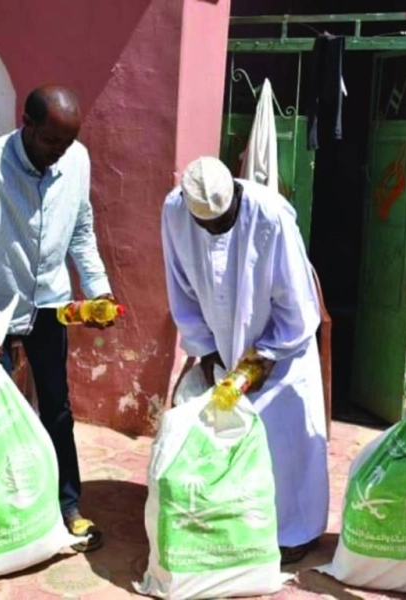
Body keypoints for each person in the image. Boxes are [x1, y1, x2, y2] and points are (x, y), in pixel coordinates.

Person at [0, 85, 114, 552]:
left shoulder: (76, 161)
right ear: (26, 124)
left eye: (69, 142)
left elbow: (81, 230)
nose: (61, 153)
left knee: (57, 408)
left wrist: (98, 291)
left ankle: (66, 505)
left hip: (50, 304)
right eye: (52, 141)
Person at [161, 156, 329, 564]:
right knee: (224, 441)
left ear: (236, 195)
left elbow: (295, 301)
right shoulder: (175, 211)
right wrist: (204, 348)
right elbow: (180, 285)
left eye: (221, 223)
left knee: (284, 443)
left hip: (281, 348)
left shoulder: (270, 215)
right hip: (220, 342)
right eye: (206, 225)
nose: (213, 231)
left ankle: (295, 533)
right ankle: (236, 524)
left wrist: (266, 356)